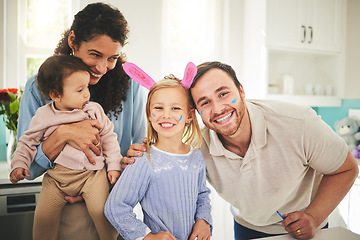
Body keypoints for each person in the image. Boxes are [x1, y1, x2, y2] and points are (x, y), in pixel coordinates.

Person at [126, 61, 359, 240]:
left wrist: (314, 217)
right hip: (248, 228)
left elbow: (347, 168)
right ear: (195, 112)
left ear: (241, 90)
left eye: (224, 93)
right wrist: (142, 153)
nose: (218, 108)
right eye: (204, 102)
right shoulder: (196, 148)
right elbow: (175, 170)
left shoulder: (298, 123)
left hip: (309, 227)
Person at [17, 3, 146, 239]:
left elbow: (139, 157)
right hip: (65, 207)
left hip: (113, 205)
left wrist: (104, 182)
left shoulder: (131, 87)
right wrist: (63, 134)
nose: (102, 67)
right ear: (73, 41)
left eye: (112, 58)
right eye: (95, 54)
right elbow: (29, 168)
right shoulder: (39, 88)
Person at [10, 55, 121, 240]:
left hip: (91, 175)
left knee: (101, 211)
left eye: (87, 87)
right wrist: (19, 164)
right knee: (44, 216)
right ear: (55, 94)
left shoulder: (93, 110)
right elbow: (27, 141)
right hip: (57, 178)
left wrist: (115, 165)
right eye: (79, 90)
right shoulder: (44, 115)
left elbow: (109, 136)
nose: (87, 94)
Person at [104, 62, 212, 240]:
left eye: (175, 108)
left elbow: (202, 194)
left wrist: (204, 220)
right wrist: (147, 237)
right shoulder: (143, 160)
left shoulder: (196, 157)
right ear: (148, 113)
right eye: (158, 108)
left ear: (189, 115)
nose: (166, 115)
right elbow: (116, 207)